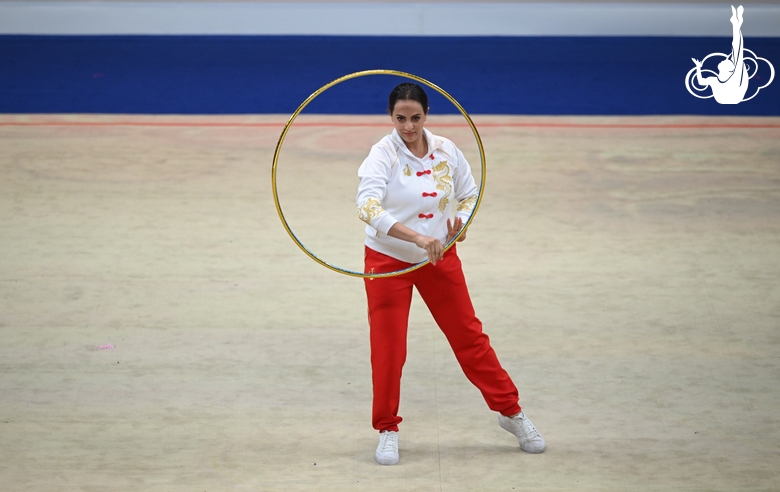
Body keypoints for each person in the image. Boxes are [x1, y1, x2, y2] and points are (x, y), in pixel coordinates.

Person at [356, 82, 545, 466]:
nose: (408, 126)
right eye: (400, 118)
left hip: (439, 257)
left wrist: (460, 222)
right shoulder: (382, 154)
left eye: (415, 118)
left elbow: (470, 193)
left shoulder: (446, 151)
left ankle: (511, 413)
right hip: (389, 260)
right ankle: (388, 428)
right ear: (390, 117)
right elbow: (367, 208)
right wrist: (417, 237)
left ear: (426, 115)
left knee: (469, 336)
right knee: (388, 349)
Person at [692, 5, 748, 104]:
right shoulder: (713, 80)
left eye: (727, 61)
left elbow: (737, 48)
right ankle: (736, 23)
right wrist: (698, 67)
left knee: (737, 51)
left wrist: (736, 26)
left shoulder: (735, 77)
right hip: (725, 98)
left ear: (730, 69)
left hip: (733, 97)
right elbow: (701, 82)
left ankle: (736, 23)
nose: (725, 59)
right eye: (727, 60)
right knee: (737, 52)